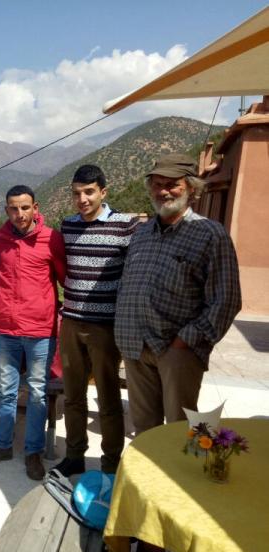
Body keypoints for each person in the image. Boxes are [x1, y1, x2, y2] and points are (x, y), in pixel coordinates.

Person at [115, 154, 241, 434]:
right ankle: (146, 478)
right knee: (144, 430)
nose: (163, 191)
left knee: (179, 431)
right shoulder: (142, 234)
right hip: (135, 346)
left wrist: (186, 340)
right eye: (157, 184)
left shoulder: (210, 234)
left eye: (172, 184)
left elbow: (227, 300)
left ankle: (176, 479)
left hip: (176, 351)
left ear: (192, 189)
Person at [50, 165, 139, 477]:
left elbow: (134, 274)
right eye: (77, 193)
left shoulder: (125, 226)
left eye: (89, 192)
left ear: (104, 191)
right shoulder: (68, 226)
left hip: (105, 326)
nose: (82, 199)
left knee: (108, 397)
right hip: (71, 323)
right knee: (72, 395)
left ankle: (111, 464)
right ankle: (74, 455)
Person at [0, 186, 66, 480]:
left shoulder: (51, 239)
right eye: (14, 208)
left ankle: (33, 452)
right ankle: (1, 445)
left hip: (40, 329)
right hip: (7, 329)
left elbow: (64, 277)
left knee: (38, 392)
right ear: (6, 210)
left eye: (25, 208)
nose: (20, 214)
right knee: (7, 389)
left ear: (35, 207)